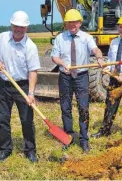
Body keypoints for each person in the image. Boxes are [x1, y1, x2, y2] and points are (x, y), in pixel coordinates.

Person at [0, 10, 40, 163]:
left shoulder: (30, 46)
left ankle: (30, 150)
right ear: (11, 25)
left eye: (22, 27)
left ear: (27, 28)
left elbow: (33, 71)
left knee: (27, 120)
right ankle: (5, 149)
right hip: (4, 85)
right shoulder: (2, 38)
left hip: (22, 86)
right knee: (2, 119)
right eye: (16, 26)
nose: (18, 29)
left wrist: (30, 93)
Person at [51, 9, 104, 153]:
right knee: (65, 107)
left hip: (81, 76)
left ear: (80, 23)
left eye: (75, 22)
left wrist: (99, 58)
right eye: (69, 22)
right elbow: (54, 57)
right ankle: (68, 136)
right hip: (65, 77)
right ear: (66, 24)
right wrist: (62, 64)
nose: (72, 25)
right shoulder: (60, 38)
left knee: (83, 107)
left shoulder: (87, 37)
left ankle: (84, 139)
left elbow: (95, 50)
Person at [91, 16, 122, 138]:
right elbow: (112, 59)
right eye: (121, 27)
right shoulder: (114, 42)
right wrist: (107, 68)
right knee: (110, 103)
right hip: (114, 77)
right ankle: (105, 130)